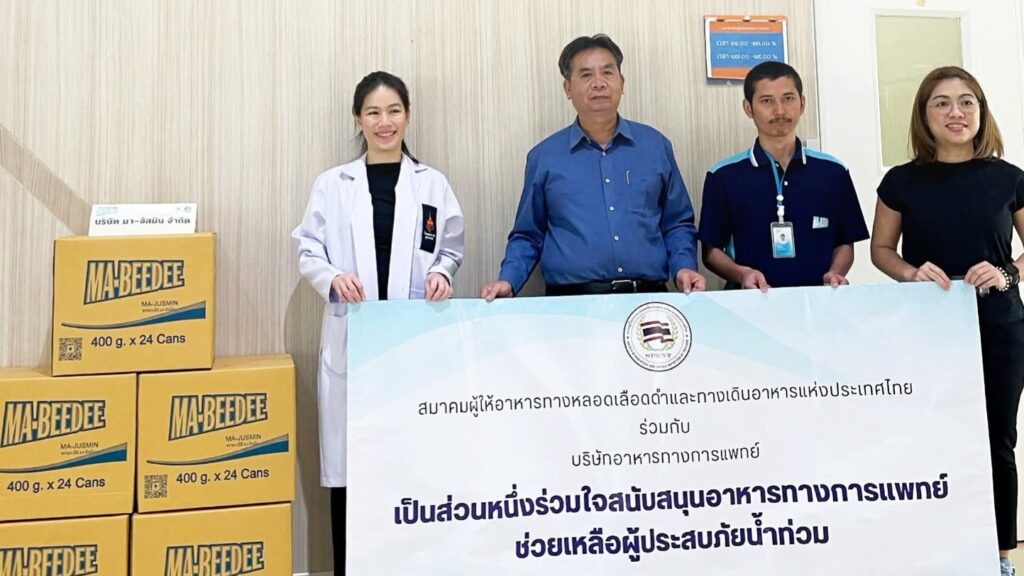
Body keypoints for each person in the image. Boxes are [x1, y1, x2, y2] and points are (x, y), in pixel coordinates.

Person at [292, 71, 464, 574]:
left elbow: (449, 247)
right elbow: (308, 248)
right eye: (373, 112)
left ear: (407, 116)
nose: (384, 122)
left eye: (393, 111)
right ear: (358, 119)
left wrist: (441, 273)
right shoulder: (334, 184)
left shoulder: (431, 184)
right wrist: (332, 277)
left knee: (411, 462)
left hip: (411, 337)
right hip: (355, 335)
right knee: (353, 465)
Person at [871, 66, 1024, 576]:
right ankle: (936, 547)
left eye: (966, 102)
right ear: (924, 114)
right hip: (928, 327)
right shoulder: (901, 181)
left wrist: (1006, 273)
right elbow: (881, 250)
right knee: (931, 433)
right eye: (941, 103)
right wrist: (911, 273)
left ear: (981, 112)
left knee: (997, 440)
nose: (955, 113)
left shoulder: (1009, 179)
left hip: (999, 325)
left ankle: (1000, 555)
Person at [480, 34, 703, 299]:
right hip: (572, 303)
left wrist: (684, 267)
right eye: (586, 75)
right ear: (567, 88)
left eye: (607, 72)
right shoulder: (545, 157)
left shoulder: (655, 147)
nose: (599, 83)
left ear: (621, 82)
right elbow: (528, 235)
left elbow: (677, 223)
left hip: (646, 300)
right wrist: (508, 280)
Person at [699, 61, 869, 290]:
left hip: (818, 299)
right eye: (766, 101)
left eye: (788, 98)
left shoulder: (833, 172)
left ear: (802, 103)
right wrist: (742, 274)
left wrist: (835, 273)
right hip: (750, 300)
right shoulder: (723, 176)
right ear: (748, 108)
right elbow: (710, 251)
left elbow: (845, 242)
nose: (779, 110)